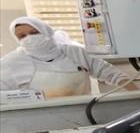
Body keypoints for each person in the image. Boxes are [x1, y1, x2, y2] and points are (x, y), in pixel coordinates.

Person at [0, 16, 131, 97]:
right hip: (38, 122)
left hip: (85, 114)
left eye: (34, 32)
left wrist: (138, 96)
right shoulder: (11, 63)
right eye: (22, 36)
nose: (29, 38)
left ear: (46, 31)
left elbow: (111, 74)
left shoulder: (75, 52)